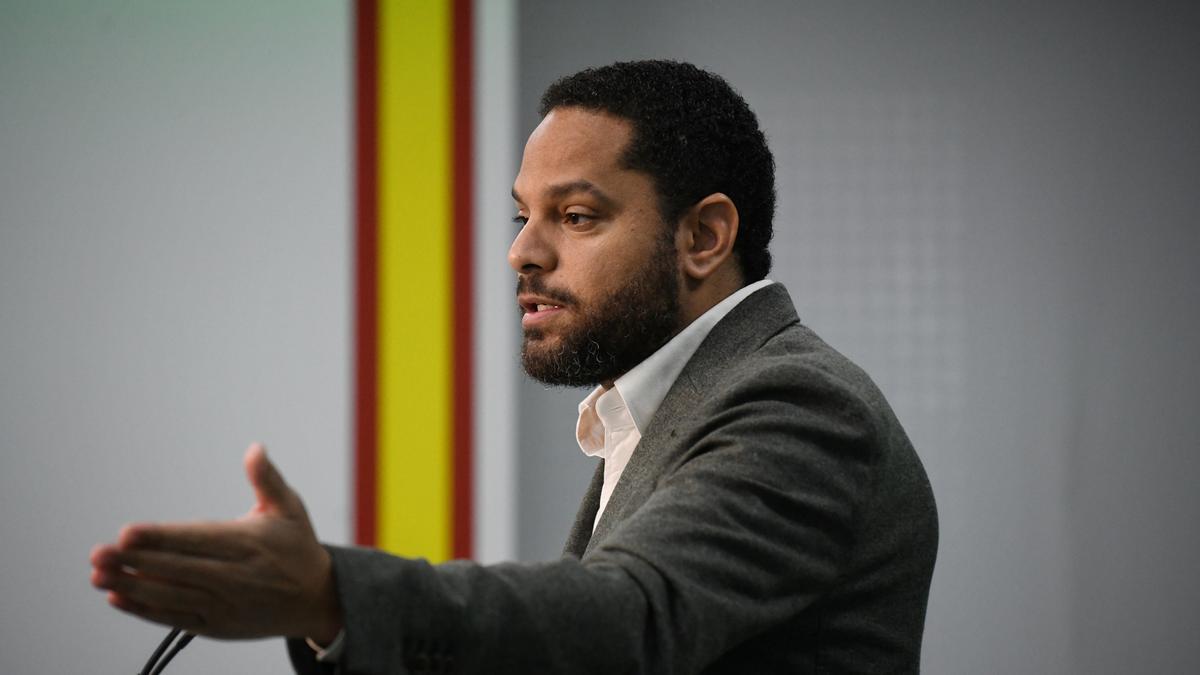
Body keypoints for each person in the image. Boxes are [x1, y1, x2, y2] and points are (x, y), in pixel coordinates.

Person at [91, 60, 938, 674]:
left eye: (575, 215)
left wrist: (334, 593)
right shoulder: (667, 407)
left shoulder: (796, 403)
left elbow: (627, 624)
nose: (521, 253)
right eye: (521, 214)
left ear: (704, 237)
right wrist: (333, 619)